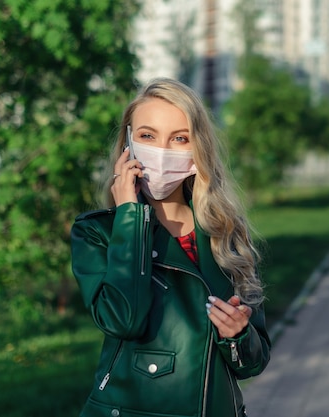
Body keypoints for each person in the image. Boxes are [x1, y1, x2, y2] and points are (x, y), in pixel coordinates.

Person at [70, 78, 271, 417]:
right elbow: (122, 321)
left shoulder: (225, 232)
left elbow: (252, 364)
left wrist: (237, 335)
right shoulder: (97, 232)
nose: (161, 152)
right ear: (127, 144)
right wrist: (130, 216)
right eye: (148, 136)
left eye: (179, 139)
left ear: (198, 151)